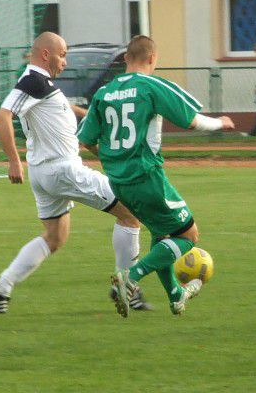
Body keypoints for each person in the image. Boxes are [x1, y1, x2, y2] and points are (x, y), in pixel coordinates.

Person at [0, 32, 151, 313]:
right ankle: (127, 287)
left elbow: (59, 106)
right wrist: (13, 161)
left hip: (44, 174)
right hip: (63, 170)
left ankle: (1, 288)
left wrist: (89, 114)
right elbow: (2, 116)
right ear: (45, 54)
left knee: (55, 237)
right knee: (131, 214)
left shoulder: (42, 84)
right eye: (62, 55)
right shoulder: (33, 80)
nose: (65, 61)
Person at [77, 35, 235, 317]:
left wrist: (112, 160)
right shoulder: (151, 86)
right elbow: (191, 121)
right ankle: (131, 277)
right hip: (147, 178)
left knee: (161, 233)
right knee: (188, 235)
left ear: (126, 58)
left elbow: (86, 139)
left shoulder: (104, 93)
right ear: (152, 58)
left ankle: (175, 295)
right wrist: (220, 123)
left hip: (118, 183)